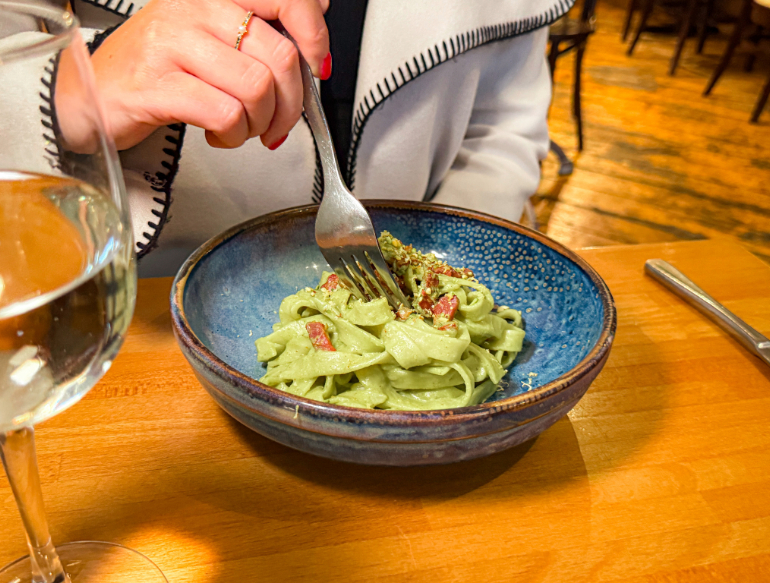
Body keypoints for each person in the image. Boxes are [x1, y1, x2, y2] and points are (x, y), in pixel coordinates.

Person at [2, 0, 572, 276]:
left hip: (424, 295)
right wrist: (67, 94)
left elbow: (502, 124)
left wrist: (445, 275)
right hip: (134, 326)